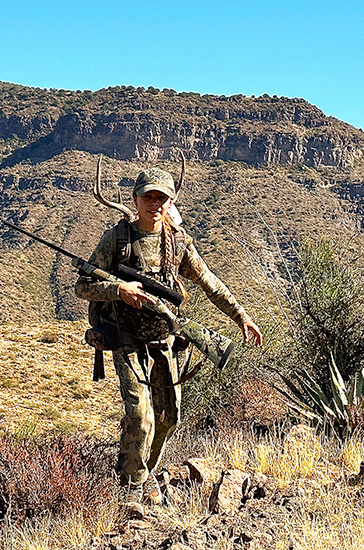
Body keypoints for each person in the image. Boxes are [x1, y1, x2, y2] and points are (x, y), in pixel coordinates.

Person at [74, 167, 263, 504]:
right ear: (135, 200)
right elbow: (83, 286)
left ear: (171, 201)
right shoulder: (116, 240)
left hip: (165, 339)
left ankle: (145, 469)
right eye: (148, 197)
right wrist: (119, 290)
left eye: (162, 197)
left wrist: (242, 318)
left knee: (169, 417)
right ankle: (132, 489)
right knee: (140, 416)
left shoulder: (178, 242)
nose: (155, 203)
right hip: (127, 338)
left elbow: (210, 283)